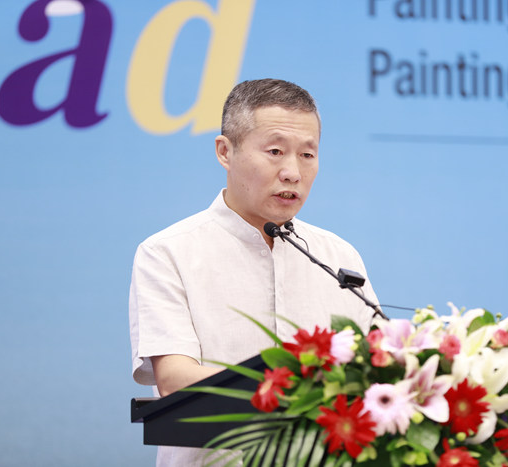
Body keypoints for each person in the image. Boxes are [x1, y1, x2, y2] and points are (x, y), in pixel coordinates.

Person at [128, 78, 379, 466]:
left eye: (307, 154)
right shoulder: (168, 253)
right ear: (225, 152)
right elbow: (175, 378)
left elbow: (378, 366)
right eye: (275, 152)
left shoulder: (338, 256)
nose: (292, 172)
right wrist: (300, 394)